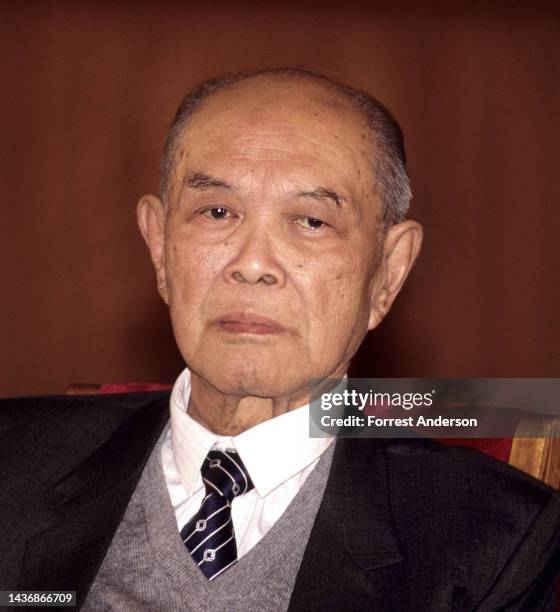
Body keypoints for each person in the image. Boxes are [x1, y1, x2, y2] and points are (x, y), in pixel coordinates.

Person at [1, 67, 559, 611]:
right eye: (216, 212)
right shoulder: (12, 464)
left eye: (311, 222)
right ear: (159, 247)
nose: (252, 264)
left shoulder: (493, 539)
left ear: (387, 273)